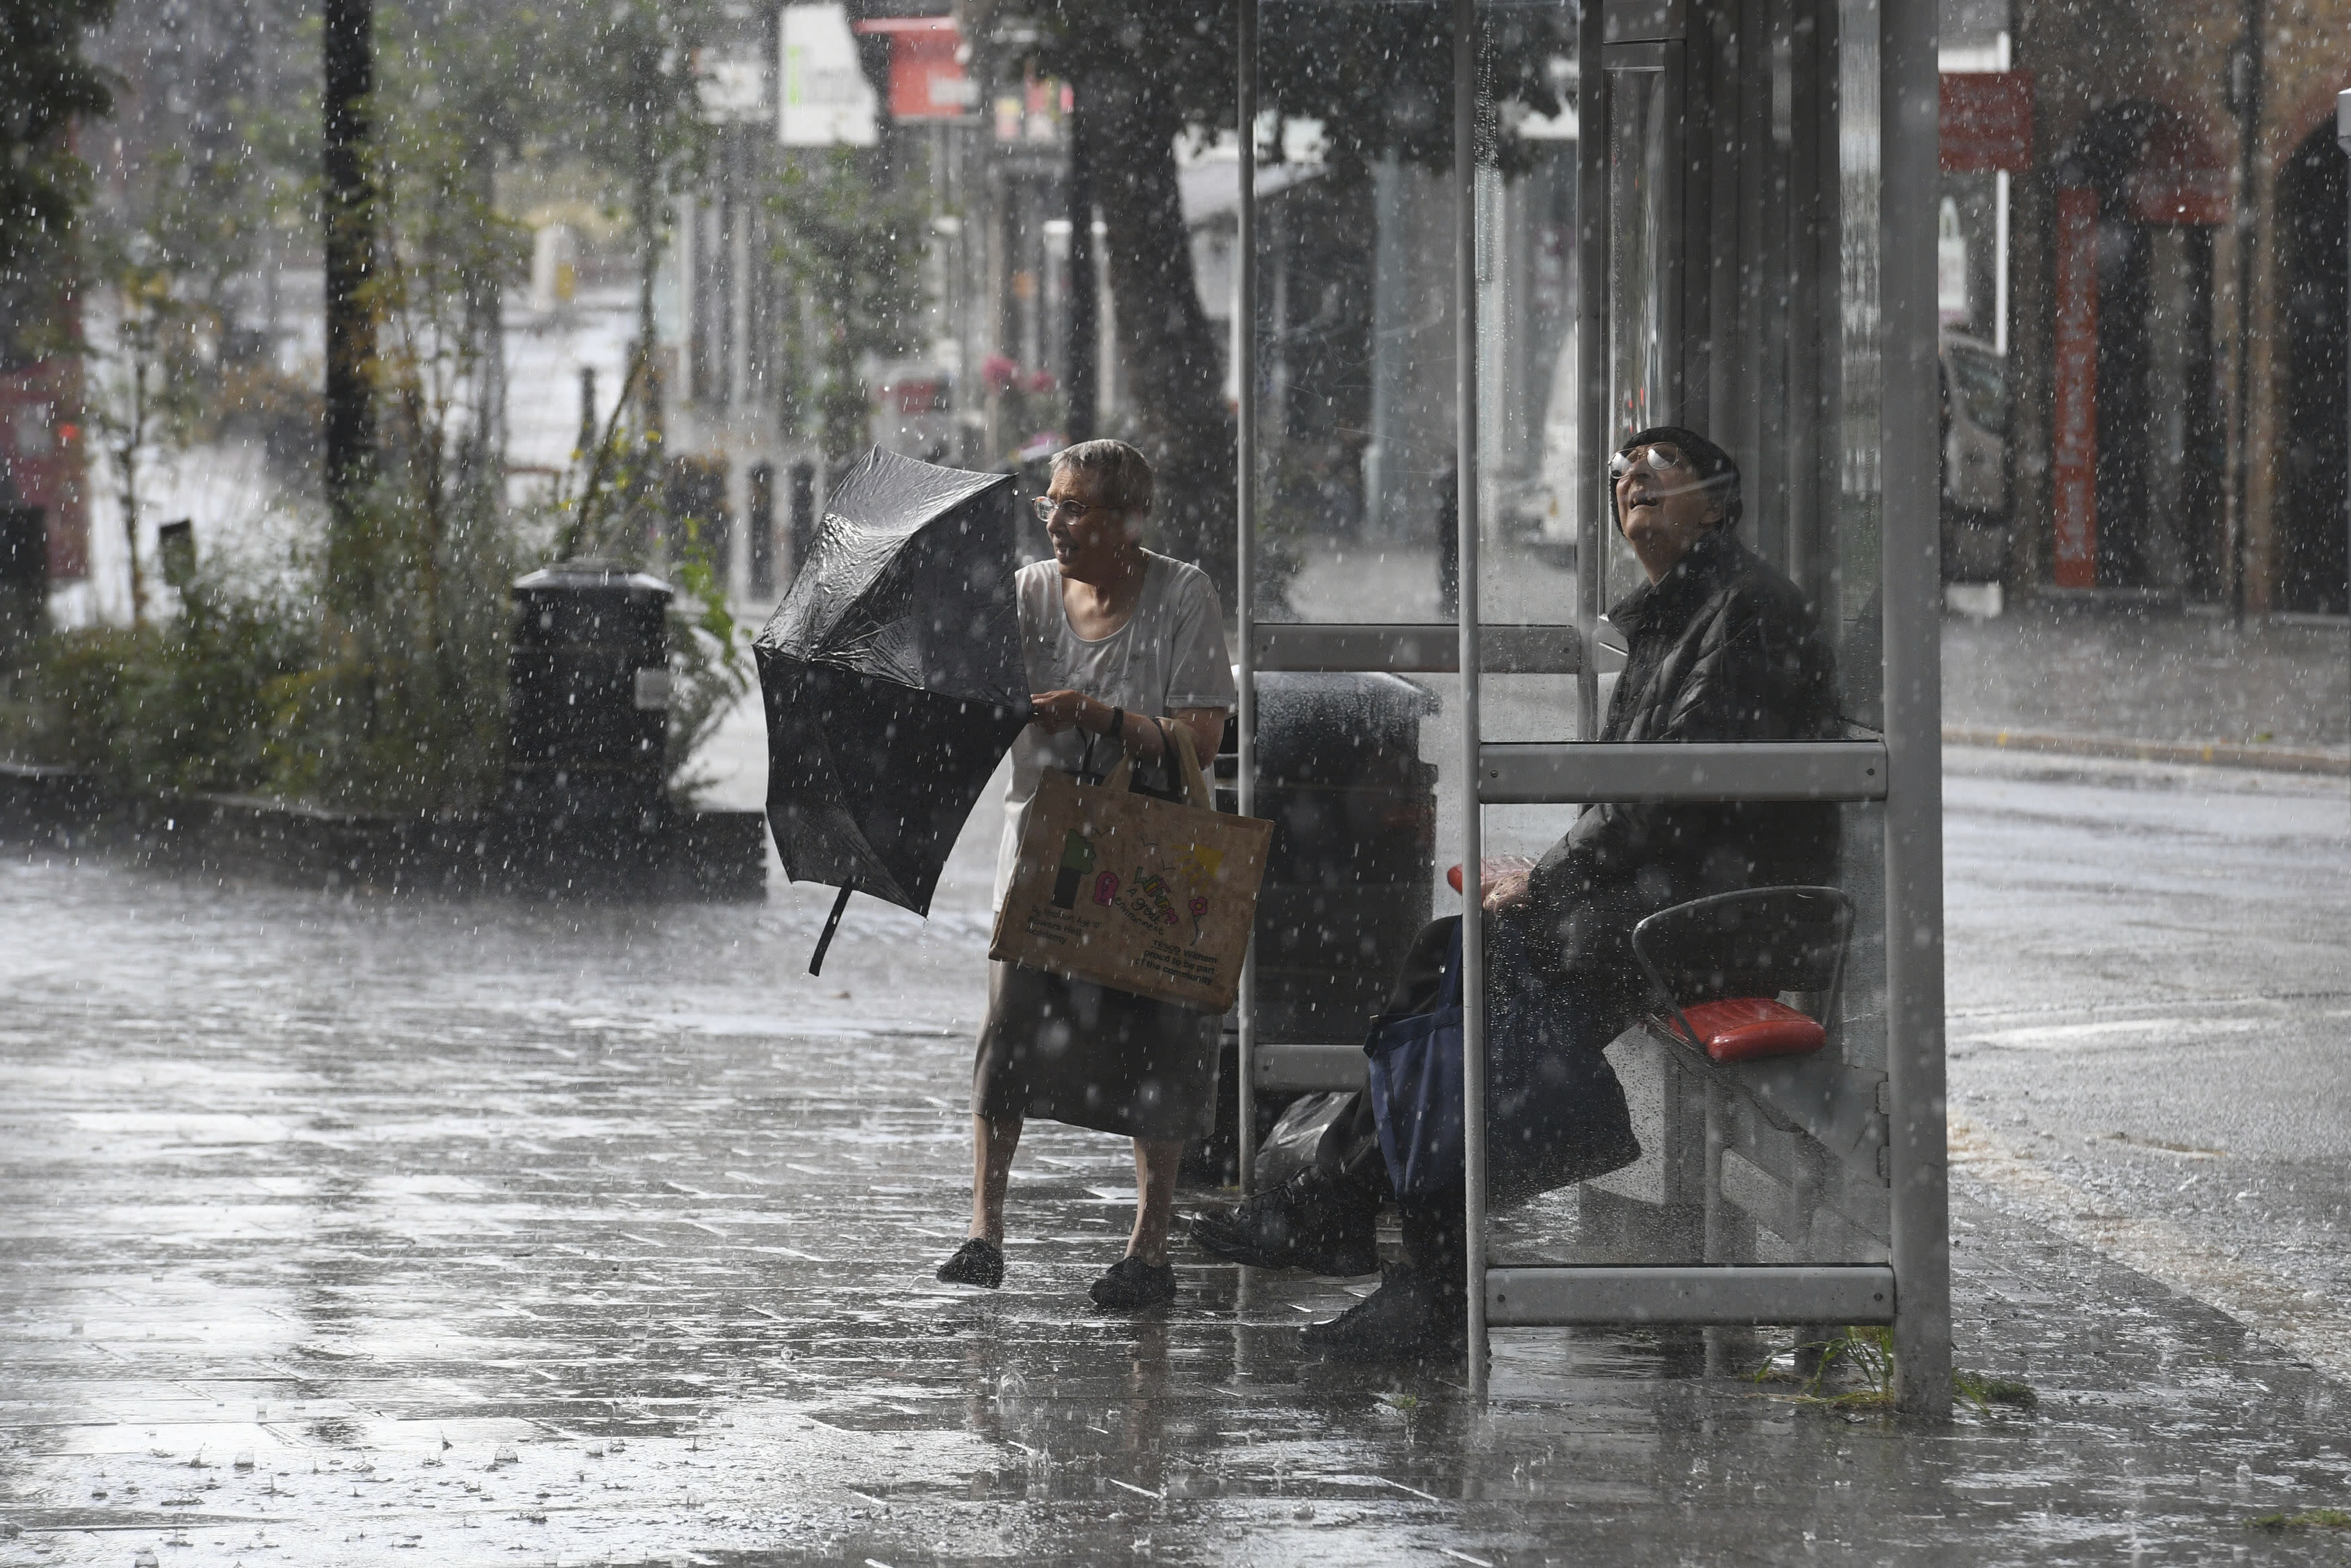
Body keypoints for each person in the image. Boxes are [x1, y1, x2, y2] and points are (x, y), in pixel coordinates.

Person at [1196, 425, 1843, 1358]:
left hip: (1728, 915)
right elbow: (1636, 803)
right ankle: (1365, 1226)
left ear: (1721, 500)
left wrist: (1542, 882)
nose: (1634, 491)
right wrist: (1541, 882)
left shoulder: (1741, 612)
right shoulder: (1677, 612)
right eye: (1623, 477)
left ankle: (1395, 1254)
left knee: (1489, 993)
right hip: (1674, 901)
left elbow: (1668, 793)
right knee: (1450, 961)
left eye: (1660, 479)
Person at [934, 439, 1237, 1310]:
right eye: (1052, 507)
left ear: (1126, 520)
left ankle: (1150, 1247)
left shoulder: (1183, 596)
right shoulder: (1026, 596)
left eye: (1077, 509)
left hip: (1153, 859)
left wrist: (1097, 716)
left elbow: (1203, 740)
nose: (1058, 524)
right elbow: (973, 701)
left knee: (1162, 1046)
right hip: (1043, 856)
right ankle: (984, 1232)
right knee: (1010, 1039)